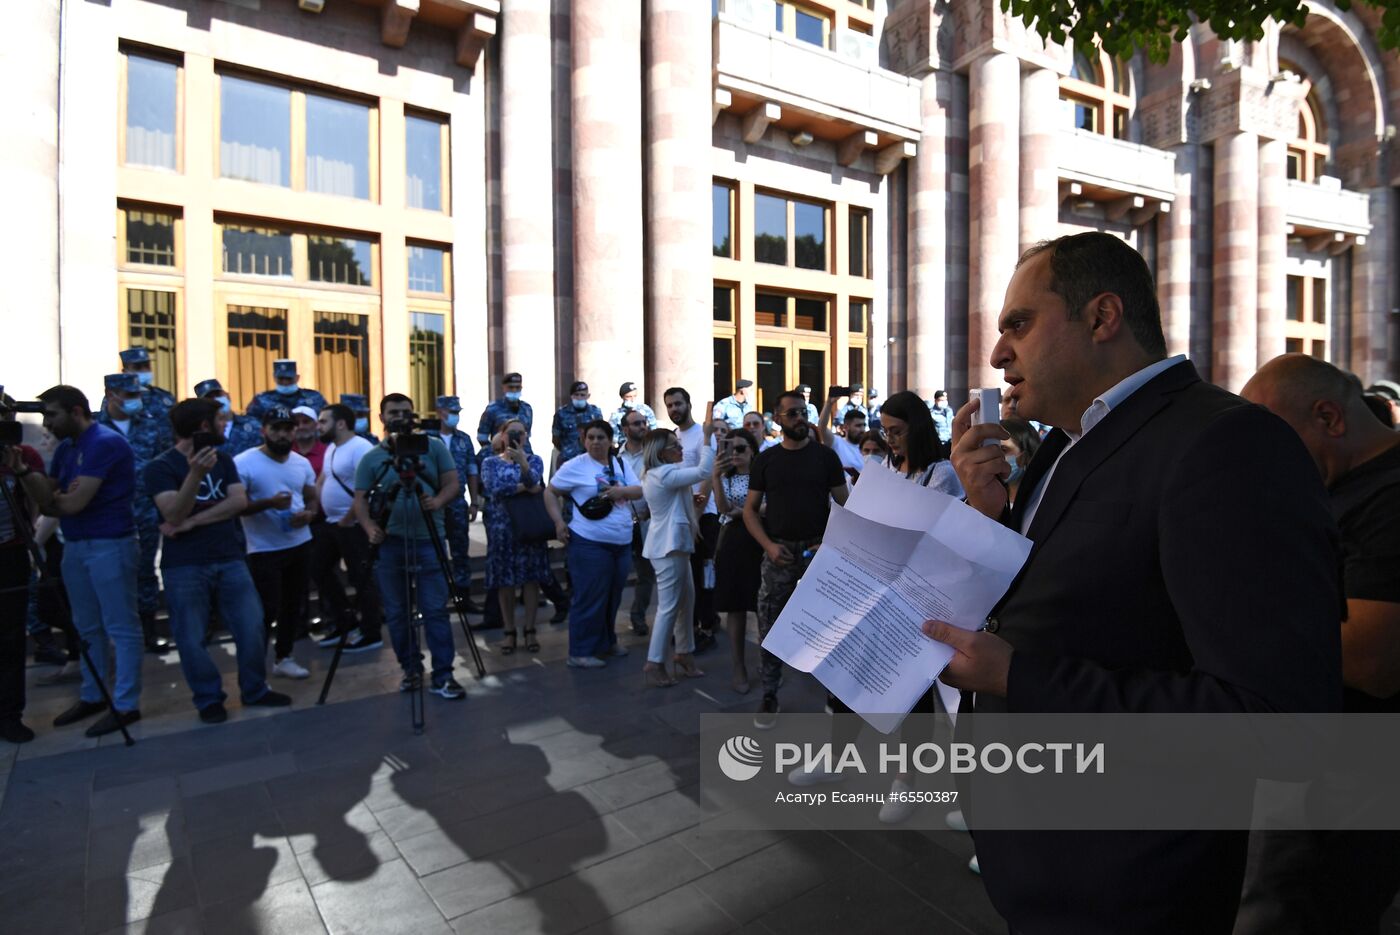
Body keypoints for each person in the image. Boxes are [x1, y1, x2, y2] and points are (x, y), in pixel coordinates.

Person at [933, 231, 1341, 933]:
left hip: (1132, 886)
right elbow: (1064, 602)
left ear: (1101, 318)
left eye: (1019, 325)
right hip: (1041, 864)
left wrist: (1023, 678)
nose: (999, 353)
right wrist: (985, 518)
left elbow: (1279, 723)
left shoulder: (1226, 444)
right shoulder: (1065, 442)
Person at [1237, 354, 1400, 934]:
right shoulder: (1335, 483)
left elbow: (1371, 658)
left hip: (1346, 783)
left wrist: (1237, 611)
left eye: (1272, 442)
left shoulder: (1389, 499)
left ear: (1329, 417)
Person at [146, 398, 293, 722]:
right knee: (190, 636)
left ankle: (255, 689)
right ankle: (208, 698)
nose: (226, 424)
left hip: (229, 558)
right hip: (184, 565)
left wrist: (194, 522)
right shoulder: (161, 467)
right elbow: (172, 512)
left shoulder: (224, 460)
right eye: (220, 419)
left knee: (252, 625)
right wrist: (195, 475)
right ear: (203, 426)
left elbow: (237, 502)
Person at [13, 385, 145, 737]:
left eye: (52, 414)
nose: (46, 423)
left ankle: (126, 703)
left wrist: (55, 496)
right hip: (76, 544)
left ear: (75, 411)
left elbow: (72, 504)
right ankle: (93, 693)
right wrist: (27, 473)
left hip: (109, 543)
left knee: (121, 625)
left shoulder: (104, 442)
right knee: (87, 626)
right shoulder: (68, 448)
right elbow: (47, 499)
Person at [743, 389, 847, 729]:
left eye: (803, 412)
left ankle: (835, 694)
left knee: (831, 625)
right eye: (793, 414)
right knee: (770, 625)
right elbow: (749, 512)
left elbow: (847, 508)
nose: (800, 419)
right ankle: (770, 692)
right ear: (778, 419)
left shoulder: (825, 457)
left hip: (820, 552)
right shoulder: (766, 460)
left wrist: (830, 543)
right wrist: (768, 547)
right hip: (780, 553)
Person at [354, 393, 465, 699]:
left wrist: (438, 501)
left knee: (435, 611)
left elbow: (453, 483)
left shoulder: (434, 447)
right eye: (393, 412)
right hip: (390, 544)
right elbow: (360, 500)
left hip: (429, 539)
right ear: (382, 418)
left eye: (405, 412)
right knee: (398, 613)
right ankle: (411, 670)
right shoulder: (372, 457)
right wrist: (369, 527)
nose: (400, 418)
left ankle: (444, 675)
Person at [549, 419, 642, 667]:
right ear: (584, 440)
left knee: (613, 595)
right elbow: (550, 492)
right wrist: (559, 523)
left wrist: (621, 492)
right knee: (590, 596)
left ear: (610, 440)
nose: (595, 442)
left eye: (601, 437)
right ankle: (580, 651)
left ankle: (606, 642)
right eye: (591, 437)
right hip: (589, 542)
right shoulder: (574, 466)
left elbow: (639, 489)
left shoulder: (620, 463)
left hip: (621, 542)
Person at [234, 406, 318, 680]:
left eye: (287, 429)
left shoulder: (300, 463)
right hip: (262, 548)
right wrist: (268, 504)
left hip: (299, 543)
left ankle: (285, 656)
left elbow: (311, 496)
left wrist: (309, 514)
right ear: (264, 431)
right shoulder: (244, 463)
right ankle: (255, 667)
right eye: (276, 429)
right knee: (264, 609)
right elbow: (236, 507)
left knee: (293, 605)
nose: (282, 435)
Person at [95, 372, 173, 654]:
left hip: (147, 509)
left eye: (136, 395)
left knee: (145, 571)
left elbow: (164, 464)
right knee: (111, 573)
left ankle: (148, 631)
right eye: (129, 395)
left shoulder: (151, 426)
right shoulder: (95, 427)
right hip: (109, 512)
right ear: (110, 395)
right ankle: (114, 634)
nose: (135, 400)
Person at [641, 416, 718, 687]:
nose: (681, 448)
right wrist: (708, 440)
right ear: (661, 452)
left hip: (673, 546)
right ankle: (655, 662)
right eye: (675, 445)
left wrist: (688, 497)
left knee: (686, 601)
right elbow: (702, 472)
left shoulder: (662, 474)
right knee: (670, 606)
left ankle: (684, 653)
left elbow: (676, 495)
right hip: (668, 547)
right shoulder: (665, 473)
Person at [480, 418, 556, 657]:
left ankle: (530, 629)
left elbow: (537, 484)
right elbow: (494, 489)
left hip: (529, 527)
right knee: (505, 582)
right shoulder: (489, 462)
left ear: (526, 436)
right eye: (511, 432)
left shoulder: (534, 460)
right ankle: (509, 631)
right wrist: (525, 485)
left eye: (521, 433)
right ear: (501, 435)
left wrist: (523, 464)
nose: (516, 436)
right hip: (502, 530)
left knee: (531, 580)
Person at [312, 403, 383, 653]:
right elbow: (323, 479)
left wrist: (350, 517)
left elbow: (368, 487)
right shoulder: (332, 447)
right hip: (331, 524)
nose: (318, 426)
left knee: (360, 576)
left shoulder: (360, 447)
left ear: (340, 423)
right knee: (318, 569)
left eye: (323, 421)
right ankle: (345, 621)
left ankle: (371, 631)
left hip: (352, 525)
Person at [0, 410, 44, 743]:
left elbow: (37, 504)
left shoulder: (21, 455)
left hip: (10, 553)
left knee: (11, 637)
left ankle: (9, 714)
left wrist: (18, 469)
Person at [664, 387, 718, 652]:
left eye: (678, 404)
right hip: (680, 516)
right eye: (670, 406)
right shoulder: (671, 437)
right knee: (685, 577)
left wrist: (695, 517)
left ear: (688, 404)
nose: (674, 409)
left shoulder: (703, 435)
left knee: (702, 573)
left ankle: (706, 627)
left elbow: (707, 477)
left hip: (702, 517)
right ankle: (690, 626)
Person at [710, 428, 763, 694]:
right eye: (731, 449)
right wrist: (715, 475)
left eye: (742, 449)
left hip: (761, 541)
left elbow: (769, 507)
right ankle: (738, 665)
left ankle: (767, 662)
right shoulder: (726, 477)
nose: (736, 454)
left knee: (764, 606)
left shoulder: (762, 475)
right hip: (733, 542)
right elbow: (722, 508)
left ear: (753, 450)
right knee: (736, 606)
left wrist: (741, 512)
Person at [435, 395, 482, 610]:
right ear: (439, 412)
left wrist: (474, 501)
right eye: (451, 412)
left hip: (457, 503)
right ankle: (438, 598)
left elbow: (472, 470)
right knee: (435, 553)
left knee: (460, 551)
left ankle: (464, 597)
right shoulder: (427, 438)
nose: (455, 417)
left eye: (457, 413)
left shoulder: (463, 438)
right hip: (433, 505)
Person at [879, 390, 963, 496]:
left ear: (917, 428)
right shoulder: (888, 463)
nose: (889, 439)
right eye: (885, 431)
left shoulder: (942, 474)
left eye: (896, 432)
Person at [617, 408, 654, 636]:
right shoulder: (616, 457)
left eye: (643, 422)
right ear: (625, 429)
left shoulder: (652, 455)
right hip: (621, 523)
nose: (642, 426)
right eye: (636, 423)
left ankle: (638, 615)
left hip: (646, 522)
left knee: (645, 573)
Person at [246, 359, 328, 424]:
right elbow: (252, 424)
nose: (285, 382)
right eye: (281, 379)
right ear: (274, 378)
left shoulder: (314, 397)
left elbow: (326, 420)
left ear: (297, 377)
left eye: (289, 379)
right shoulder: (262, 400)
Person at [196, 378, 261, 456]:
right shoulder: (201, 432)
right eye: (209, 398)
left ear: (228, 395)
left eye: (218, 395)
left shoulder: (253, 424)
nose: (215, 400)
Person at [477, 371, 533, 454]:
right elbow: (482, 437)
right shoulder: (493, 409)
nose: (514, 390)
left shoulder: (527, 408)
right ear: (504, 388)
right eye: (511, 387)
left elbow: (527, 434)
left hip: (524, 454)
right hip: (501, 455)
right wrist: (495, 451)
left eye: (517, 387)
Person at [119, 346, 176, 424]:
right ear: (125, 372)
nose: (144, 370)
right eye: (137, 367)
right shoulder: (117, 398)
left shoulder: (165, 396)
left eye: (147, 366)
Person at [817, 396, 867, 486]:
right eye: (858, 426)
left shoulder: (869, 448)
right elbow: (821, 428)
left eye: (864, 425)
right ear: (846, 427)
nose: (862, 429)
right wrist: (829, 403)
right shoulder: (837, 443)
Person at [552, 381, 603, 465]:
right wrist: (568, 450)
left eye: (582, 395)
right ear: (571, 396)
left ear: (588, 396)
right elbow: (556, 439)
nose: (579, 398)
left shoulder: (595, 412)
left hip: (591, 459)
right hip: (568, 459)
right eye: (576, 395)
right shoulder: (561, 414)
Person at [998, 416, 1041, 506]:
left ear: (1026, 457)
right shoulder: (990, 498)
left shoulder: (1040, 501)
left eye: (1004, 450)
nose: (995, 456)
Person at [609, 381, 657, 447]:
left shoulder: (645, 410)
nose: (632, 399)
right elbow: (614, 437)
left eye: (634, 396)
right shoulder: (616, 415)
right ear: (622, 397)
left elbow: (654, 429)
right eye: (628, 396)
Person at [928, 390, 954, 459]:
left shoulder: (949, 411)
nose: (944, 402)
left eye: (945, 400)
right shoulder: (931, 413)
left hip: (951, 443)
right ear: (936, 400)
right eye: (941, 400)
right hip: (939, 444)